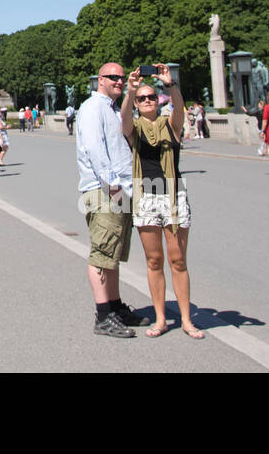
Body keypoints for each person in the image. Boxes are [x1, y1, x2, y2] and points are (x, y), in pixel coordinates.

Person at [121, 65, 202, 339]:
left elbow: (179, 109)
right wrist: (130, 89)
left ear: (159, 101)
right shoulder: (134, 128)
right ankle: (160, 318)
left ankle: (188, 320)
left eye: (151, 97)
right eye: (141, 98)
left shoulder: (172, 125)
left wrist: (171, 85)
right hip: (147, 197)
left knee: (178, 260)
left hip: (173, 195)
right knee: (154, 261)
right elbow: (123, 119)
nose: (146, 101)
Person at [76, 62, 145, 337]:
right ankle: (103, 315)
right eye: (112, 77)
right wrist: (113, 187)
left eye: (120, 76)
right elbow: (95, 149)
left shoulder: (112, 108)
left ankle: (115, 306)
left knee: (113, 253)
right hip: (105, 190)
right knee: (102, 253)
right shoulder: (93, 108)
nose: (118, 80)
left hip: (119, 189)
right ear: (99, 80)